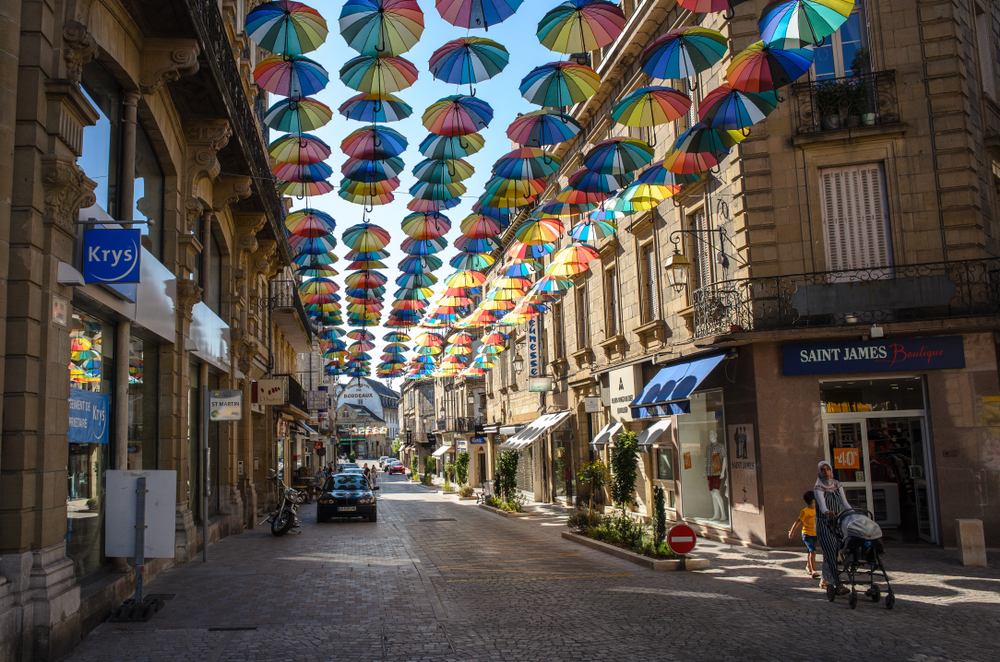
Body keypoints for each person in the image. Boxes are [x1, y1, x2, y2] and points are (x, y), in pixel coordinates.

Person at [814, 460, 851, 593]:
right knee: (830, 552)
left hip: (838, 522)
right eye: (823, 470)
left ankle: (824, 579)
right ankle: (838, 584)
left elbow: (845, 503)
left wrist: (853, 513)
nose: (826, 472)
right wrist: (827, 512)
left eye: (828, 469)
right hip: (825, 524)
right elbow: (822, 505)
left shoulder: (837, 484)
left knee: (834, 552)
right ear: (819, 472)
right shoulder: (818, 487)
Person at [788, 490, 819, 579]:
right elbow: (797, 522)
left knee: (810, 552)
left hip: (815, 534)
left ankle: (808, 566)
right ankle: (813, 570)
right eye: (814, 502)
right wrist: (791, 531)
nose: (815, 503)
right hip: (807, 535)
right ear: (810, 502)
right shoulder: (805, 511)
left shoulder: (817, 510)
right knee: (813, 552)